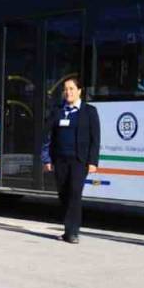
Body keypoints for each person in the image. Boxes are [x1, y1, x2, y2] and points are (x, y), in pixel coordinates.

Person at [41, 77, 100, 244]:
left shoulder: (90, 111)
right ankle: (67, 231)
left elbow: (95, 139)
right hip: (60, 160)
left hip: (79, 161)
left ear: (79, 91)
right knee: (64, 194)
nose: (68, 92)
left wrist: (93, 161)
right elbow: (46, 135)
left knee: (75, 194)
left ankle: (73, 232)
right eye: (66, 89)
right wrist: (46, 159)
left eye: (72, 88)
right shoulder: (57, 110)